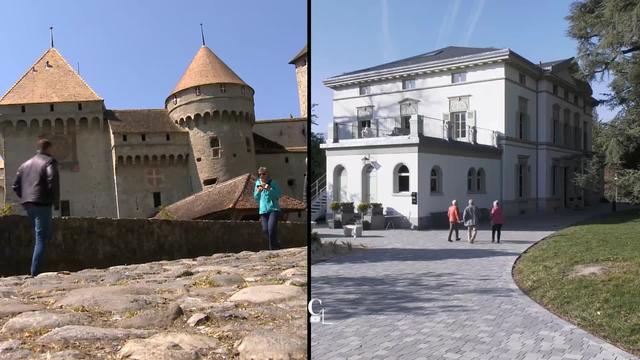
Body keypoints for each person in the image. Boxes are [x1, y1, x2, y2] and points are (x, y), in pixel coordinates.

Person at [12, 139, 60, 277]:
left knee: (43, 234)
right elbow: (52, 180)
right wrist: (54, 200)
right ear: (48, 148)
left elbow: (15, 186)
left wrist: (26, 197)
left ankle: (37, 267)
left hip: (28, 204)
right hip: (41, 203)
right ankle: (35, 272)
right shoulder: (49, 162)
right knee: (42, 236)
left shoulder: (24, 165)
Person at [253, 166, 282, 250]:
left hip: (273, 209)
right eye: (260, 174)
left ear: (267, 174)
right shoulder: (257, 183)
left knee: (271, 228)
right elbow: (256, 198)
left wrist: (269, 189)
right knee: (265, 229)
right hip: (263, 211)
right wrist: (258, 191)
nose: (262, 176)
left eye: (264, 174)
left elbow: (279, 194)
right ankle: (277, 244)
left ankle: (272, 249)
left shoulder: (273, 183)